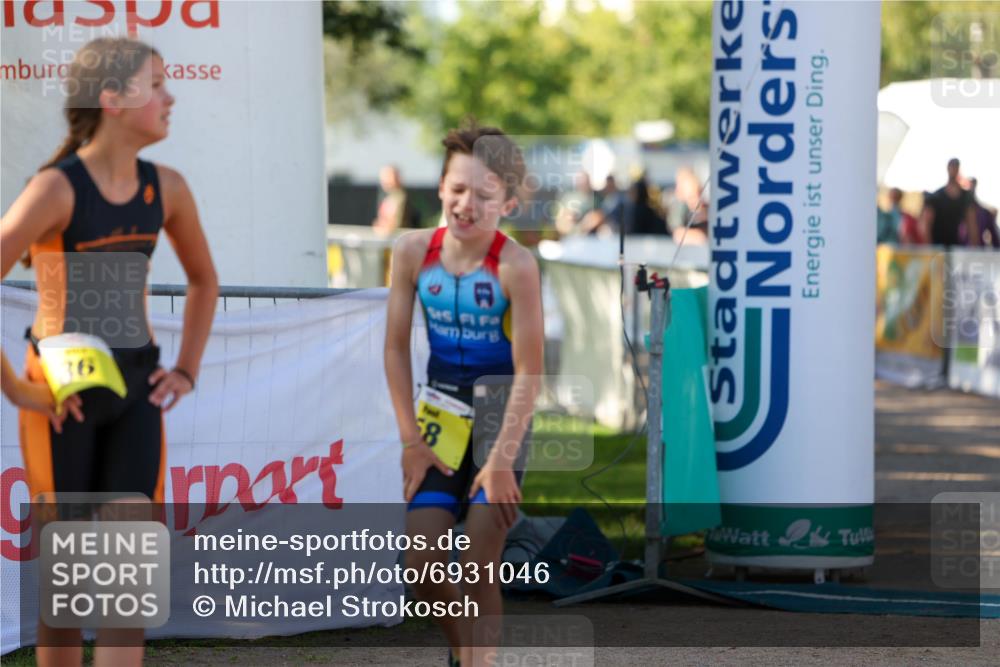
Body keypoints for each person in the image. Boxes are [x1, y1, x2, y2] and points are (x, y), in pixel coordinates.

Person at [0, 38, 218, 667]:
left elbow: (204, 282)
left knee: (127, 590)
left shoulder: (167, 188)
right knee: (66, 595)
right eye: (157, 84)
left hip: (135, 392)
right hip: (61, 400)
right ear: (113, 99)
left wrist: (186, 370)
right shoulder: (56, 189)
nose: (171, 97)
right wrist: (19, 389)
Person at [384, 122, 543, 667]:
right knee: (422, 564)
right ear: (440, 187)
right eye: (457, 189)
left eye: (483, 195)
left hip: (501, 415)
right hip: (441, 414)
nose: (466, 205)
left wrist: (501, 459)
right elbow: (394, 350)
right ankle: (468, 653)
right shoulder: (411, 251)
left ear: (508, 204)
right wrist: (410, 440)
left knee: (478, 561)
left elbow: (530, 371)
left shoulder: (516, 265)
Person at [919, 158, 979, 248]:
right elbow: (925, 226)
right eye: (952, 167)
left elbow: (972, 225)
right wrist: (930, 249)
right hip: (937, 246)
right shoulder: (936, 197)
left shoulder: (965, 198)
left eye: (955, 167)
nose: (953, 170)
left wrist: (974, 248)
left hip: (955, 247)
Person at [372, 164, 419, 235]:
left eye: (388, 177)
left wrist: (385, 229)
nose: (384, 181)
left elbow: (399, 223)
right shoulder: (388, 198)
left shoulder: (402, 198)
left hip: (399, 237)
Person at [964, 178, 999, 249]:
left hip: (979, 250)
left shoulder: (985, 213)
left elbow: (996, 240)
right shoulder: (959, 212)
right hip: (961, 250)